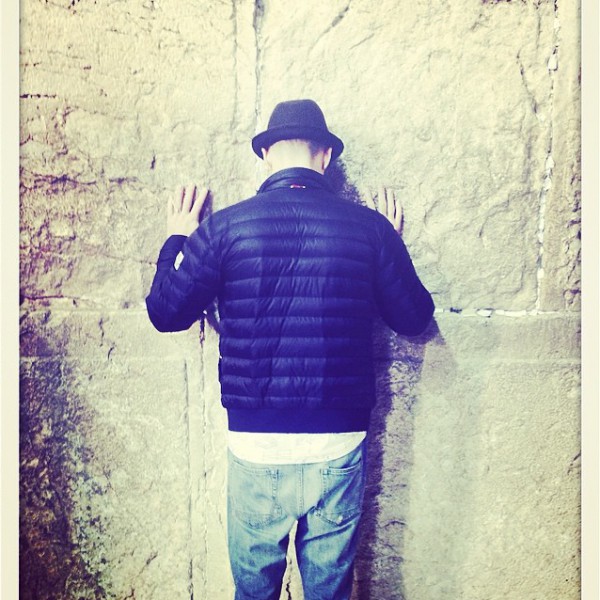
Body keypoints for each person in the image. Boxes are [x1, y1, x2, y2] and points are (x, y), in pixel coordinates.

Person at [146, 99, 434, 600]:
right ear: (326, 156)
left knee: (254, 592)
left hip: (256, 446)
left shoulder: (225, 228)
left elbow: (165, 313)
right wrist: (390, 244)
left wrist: (176, 238)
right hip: (338, 443)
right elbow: (414, 319)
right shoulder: (370, 229)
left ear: (267, 156)